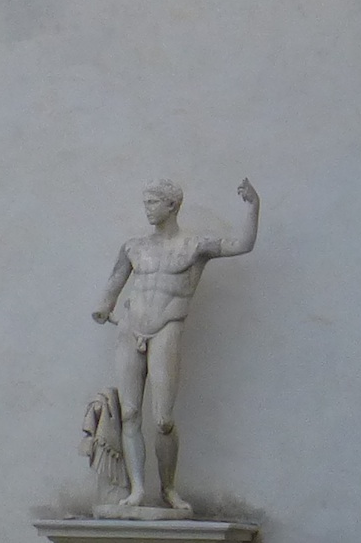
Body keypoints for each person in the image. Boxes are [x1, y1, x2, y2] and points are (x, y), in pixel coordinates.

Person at [93, 178, 259, 512]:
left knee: (163, 419)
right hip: (130, 330)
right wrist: (107, 310)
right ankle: (138, 489)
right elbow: (110, 290)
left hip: (167, 327)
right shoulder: (133, 247)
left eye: (153, 202)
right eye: (145, 202)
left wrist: (253, 206)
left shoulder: (194, 246)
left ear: (172, 205)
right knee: (130, 413)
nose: (147, 208)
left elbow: (242, 244)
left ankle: (168, 488)